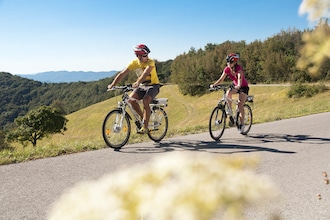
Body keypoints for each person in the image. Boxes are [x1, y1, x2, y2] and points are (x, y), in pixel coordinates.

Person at [108, 44, 160, 134]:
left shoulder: (150, 62)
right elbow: (122, 73)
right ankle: (143, 118)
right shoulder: (134, 63)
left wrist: (137, 82)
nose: (145, 57)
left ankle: (145, 126)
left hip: (153, 86)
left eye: (145, 55)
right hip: (142, 86)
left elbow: (145, 73)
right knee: (131, 100)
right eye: (141, 55)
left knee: (146, 101)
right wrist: (113, 84)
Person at [210, 53, 249, 133]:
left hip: (243, 87)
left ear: (234, 62)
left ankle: (242, 124)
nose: (228, 64)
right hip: (235, 86)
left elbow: (239, 77)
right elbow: (221, 79)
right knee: (228, 93)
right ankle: (230, 110)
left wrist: (238, 85)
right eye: (227, 62)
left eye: (230, 62)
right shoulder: (227, 69)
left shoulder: (238, 68)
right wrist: (214, 85)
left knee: (240, 105)